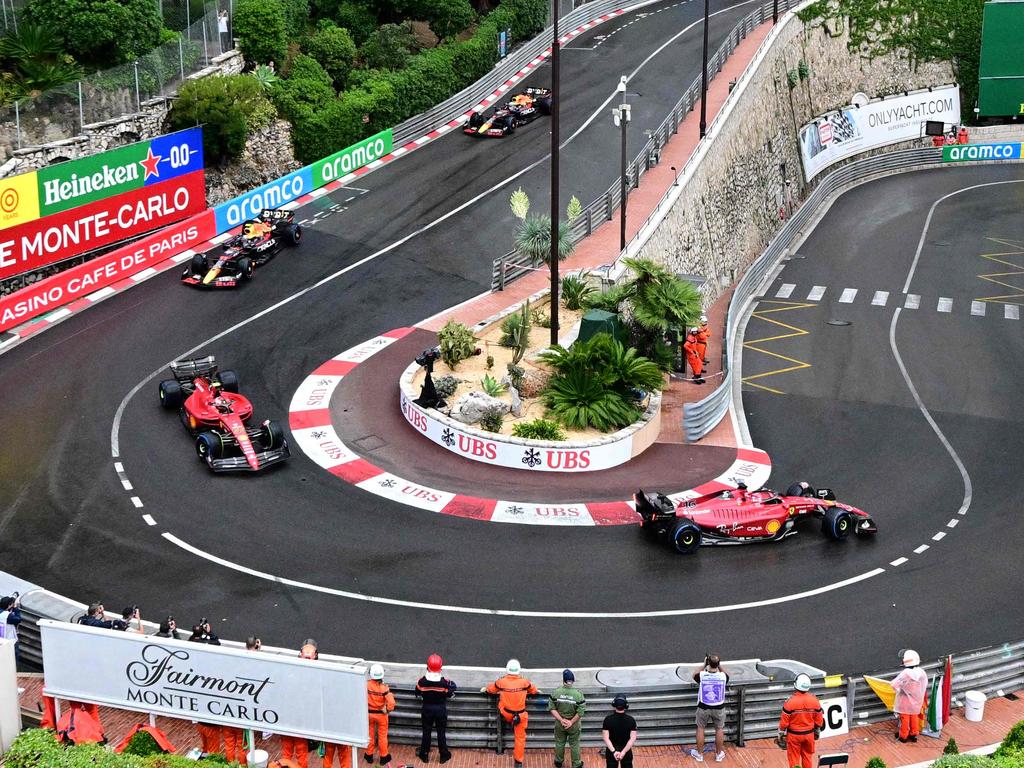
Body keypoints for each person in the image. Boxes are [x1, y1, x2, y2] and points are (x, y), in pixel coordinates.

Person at [483, 659, 539, 768]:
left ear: (507, 670)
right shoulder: (525, 682)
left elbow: (491, 689)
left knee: (500, 704)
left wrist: (486, 689)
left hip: (506, 713)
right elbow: (534, 690)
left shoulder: (501, 682)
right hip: (520, 715)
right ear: (518, 670)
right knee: (520, 738)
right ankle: (518, 762)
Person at [281, 640, 320, 768]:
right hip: (302, 723)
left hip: (288, 720)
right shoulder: (318, 675)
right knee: (301, 754)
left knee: (286, 754)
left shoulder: (291, 672)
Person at [416, 653, 456, 763]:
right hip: (440, 710)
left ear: (427, 667)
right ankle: (443, 755)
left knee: (426, 732)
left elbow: (417, 692)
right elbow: (450, 692)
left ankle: (424, 754)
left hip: (427, 709)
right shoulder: (444, 683)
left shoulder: (422, 681)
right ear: (440, 668)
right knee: (441, 733)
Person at [777, 674, 824, 768]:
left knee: (794, 759)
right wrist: (817, 731)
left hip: (794, 736)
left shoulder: (790, 702)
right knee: (807, 757)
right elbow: (819, 721)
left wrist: (780, 734)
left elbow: (784, 723)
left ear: (796, 685)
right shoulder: (815, 701)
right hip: (809, 735)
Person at [690, 654, 729, 762]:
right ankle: (718, 754)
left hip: (703, 706)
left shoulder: (702, 675)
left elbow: (694, 675)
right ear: (718, 664)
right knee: (719, 729)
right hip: (719, 707)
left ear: (708, 663)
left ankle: (699, 754)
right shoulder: (723, 676)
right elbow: (727, 674)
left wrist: (703, 665)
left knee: (700, 729)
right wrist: (719, 666)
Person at [549, 669, 585, 768]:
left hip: (560, 723)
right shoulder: (578, 694)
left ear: (563, 681)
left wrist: (561, 720)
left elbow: (551, 708)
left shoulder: (556, 692)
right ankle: (576, 764)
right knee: (574, 744)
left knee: (560, 742)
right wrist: (571, 722)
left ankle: (558, 761)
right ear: (572, 681)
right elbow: (581, 712)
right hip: (574, 724)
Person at [892, 649, 928, 743]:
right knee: (914, 717)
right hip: (916, 700)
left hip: (905, 700)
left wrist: (899, 689)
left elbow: (894, 684)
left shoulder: (906, 673)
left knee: (905, 718)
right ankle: (914, 734)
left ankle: (903, 736)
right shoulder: (921, 672)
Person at [365, 663, 396, 765]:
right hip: (381, 715)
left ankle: (369, 755)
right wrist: (387, 710)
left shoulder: (366, 685)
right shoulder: (384, 688)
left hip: (369, 715)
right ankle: (383, 757)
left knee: (370, 735)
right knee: (382, 736)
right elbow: (391, 703)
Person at [602, 695, 637, 768]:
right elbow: (632, 738)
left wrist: (614, 752)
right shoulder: (631, 720)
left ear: (614, 705)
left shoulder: (608, 719)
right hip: (626, 750)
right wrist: (623, 752)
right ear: (626, 705)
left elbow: (606, 738)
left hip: (611, 750)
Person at [0, 595, 23, 663]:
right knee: (13, 658)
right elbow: (18, 620)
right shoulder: (7, 616)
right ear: (9, 605)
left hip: (1, 639)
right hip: (10, 640)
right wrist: (16, 609)